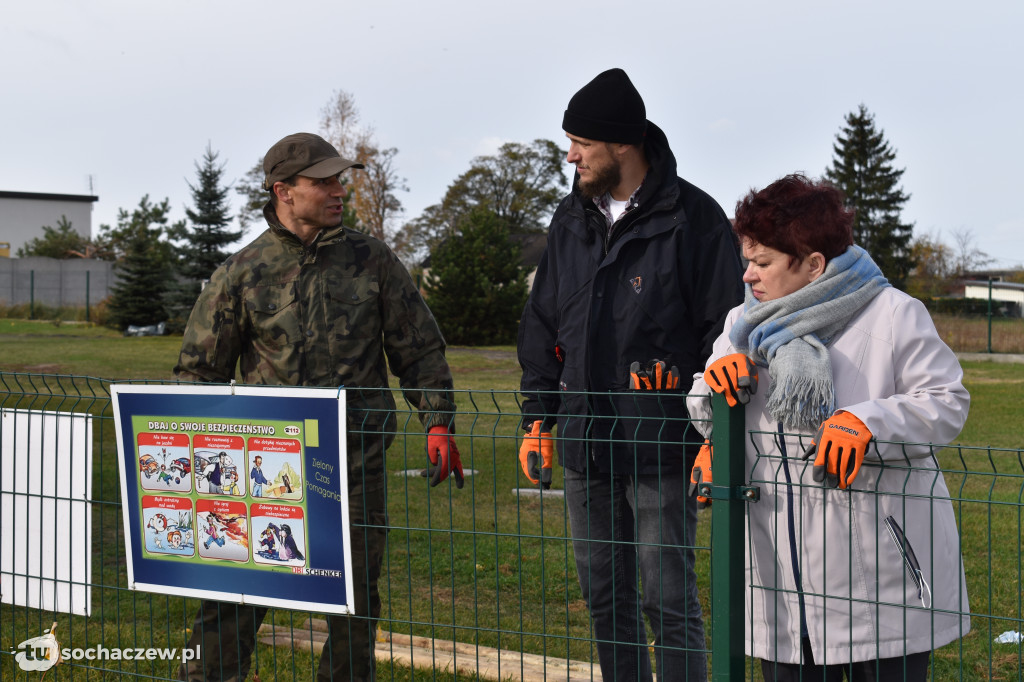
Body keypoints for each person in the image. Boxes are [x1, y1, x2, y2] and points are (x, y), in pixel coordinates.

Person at [174, 132, 464, 682]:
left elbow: (419, 347)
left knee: (354, 596)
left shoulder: (371, 260)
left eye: (339, 180)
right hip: (262, 469)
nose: (338, 191)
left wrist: (438, 420)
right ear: (284, 191)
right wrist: (207, 466)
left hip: (354, 464)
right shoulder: (243, 271)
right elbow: (199, 372)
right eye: (323, 181)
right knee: (233, 590)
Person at [686, 174, 970, 681]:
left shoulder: (895, 314)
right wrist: (713, 388)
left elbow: (946, 402)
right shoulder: (742, 325)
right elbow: (707, 409)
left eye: (763, 261)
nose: (748, 275)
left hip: (880, 589)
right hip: (780, 583)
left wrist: (868, 422)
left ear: (814, 265)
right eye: (747, 259)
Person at [516, 68, 744, 681]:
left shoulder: (693, 219)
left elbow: (725, 335)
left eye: (581, 144)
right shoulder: (571, 219)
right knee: (604, 598)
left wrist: (711, 439)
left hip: (663, 444)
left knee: (667, 599)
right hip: (585, 442)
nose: (570, 156)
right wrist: (539, 418)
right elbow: (542, 324)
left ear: (622, 143)